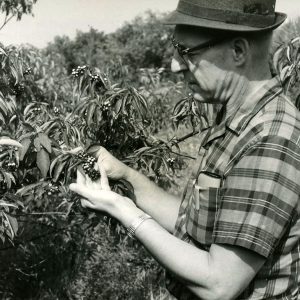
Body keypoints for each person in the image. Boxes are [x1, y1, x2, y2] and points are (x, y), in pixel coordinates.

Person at [70, 0, 300, 299]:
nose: (176, 65)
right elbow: (192, 223)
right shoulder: (237, 117)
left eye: (188, 52)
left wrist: (125, 212)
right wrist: (124, 176)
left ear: (239, 51)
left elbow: (219, 283)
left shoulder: (270, 137)